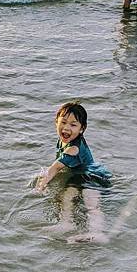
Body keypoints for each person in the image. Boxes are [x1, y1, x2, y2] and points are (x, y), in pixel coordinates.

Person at [36, 101, 112, 243]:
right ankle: (66, 224)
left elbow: (55, 167)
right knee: (67, 197)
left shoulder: (73, 148)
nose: (66, 128)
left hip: (94, 177)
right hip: (79, 177)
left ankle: (97, 233)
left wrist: (42, 184)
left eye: (73, 124)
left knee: (91, 203)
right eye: (63, 122)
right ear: (56, 122)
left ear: (82, 129)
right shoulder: (64, 140)